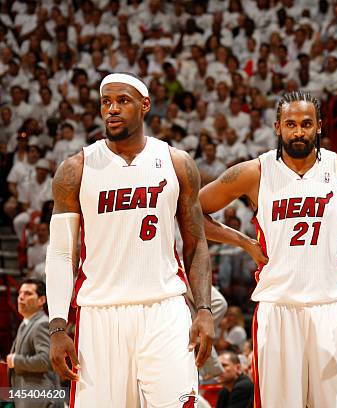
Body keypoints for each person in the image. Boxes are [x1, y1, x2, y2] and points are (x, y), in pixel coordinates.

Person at [199, 91, 337, 407]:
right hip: (278, 306)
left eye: (306, 124)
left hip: (331, 304)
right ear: (277, 127)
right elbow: (192, 211)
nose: (298, 131)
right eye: (291, 124)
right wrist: (243, 242)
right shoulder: (253, 172)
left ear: (319, 127)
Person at [45, 73, 215, 407]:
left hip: (164, 308)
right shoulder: (75, 169)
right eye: (106, 102)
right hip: (100, 314)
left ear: (145, 105)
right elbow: (63, 254)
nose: (112, 109)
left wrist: (204, 310)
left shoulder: (177, 163)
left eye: (123, 101)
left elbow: (196, 244)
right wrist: (57, 327)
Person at [7, 279, 61, 408]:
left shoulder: (41, 324)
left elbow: (45, 360)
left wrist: (15, 360)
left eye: (28, 294)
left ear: (41, 300)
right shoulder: (26, 323)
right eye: (20, 293)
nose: (21, 297)